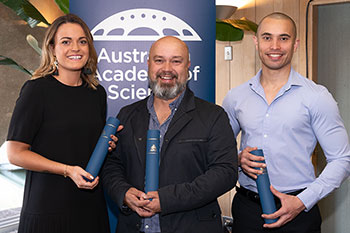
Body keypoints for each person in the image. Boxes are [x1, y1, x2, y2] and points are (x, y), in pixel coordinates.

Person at [222, 12, 350, 233]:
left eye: (284, 38)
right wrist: (237, 158)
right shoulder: (235, 97)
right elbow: (217, 152)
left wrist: (302, 202)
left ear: (295, 44)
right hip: (247, 211)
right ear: (256, 42)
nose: (275, 46)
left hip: (299, 213)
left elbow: (342, 160)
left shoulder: (317, 97)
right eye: (267, 37)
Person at [101, 36, 238, 233]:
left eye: (176, 61)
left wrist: (167, 199)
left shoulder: (213, 116)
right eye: (159, 60)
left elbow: (225, 172)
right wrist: (123, 193)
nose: (167, 68)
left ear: (188, 66)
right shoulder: (127, 114)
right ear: (148, 65)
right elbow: (112, 166)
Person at [6, 14, 118, 233]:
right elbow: (15, 153)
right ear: (52, 48)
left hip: (90, 209)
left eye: (82, 41)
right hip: (48, 210)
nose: (75, 48)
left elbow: (79, 143)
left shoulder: (96, 94)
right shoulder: (37, 91)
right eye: (66, 41)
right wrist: (67, 170)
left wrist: (106, 146)